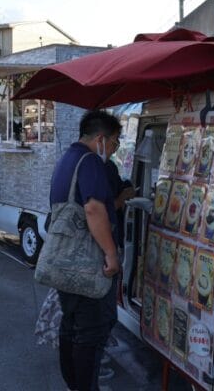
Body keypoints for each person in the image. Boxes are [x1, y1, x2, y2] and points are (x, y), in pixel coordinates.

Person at [48, 110, 122, 391]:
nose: (114, 149)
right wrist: (111, 254)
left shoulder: (66, 160)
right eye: (115, 142)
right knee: (90, 332)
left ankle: (74, 384)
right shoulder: (90, 162)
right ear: (101, 138)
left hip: (64, 262)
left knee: (71, 326)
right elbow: (93, 208)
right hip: (88, 263)